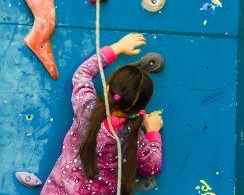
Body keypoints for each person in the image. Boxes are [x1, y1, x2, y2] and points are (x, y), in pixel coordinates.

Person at [42, 33, 163, 194]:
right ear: (139, 110)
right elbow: (151, 167)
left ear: (107, 90)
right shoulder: (131, 136)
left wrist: (117, 48)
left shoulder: (86, 109)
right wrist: (153, 132)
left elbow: (82, 75)